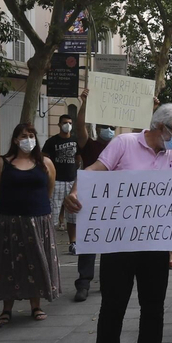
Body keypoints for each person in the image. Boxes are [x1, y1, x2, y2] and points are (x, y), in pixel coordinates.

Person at [65, 104, 172, 343]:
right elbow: (96, 170)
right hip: (118, 242)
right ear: (161, 127)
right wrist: (76, 190)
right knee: (113, 304)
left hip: (154, 243)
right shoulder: (124, 143)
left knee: (153, 305)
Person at [0, 122, 60, 323]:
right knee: (8, 264)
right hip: (10, 221)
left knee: (36, 262)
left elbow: (49, 189)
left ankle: (36, 305)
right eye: (23, 136)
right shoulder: (2, 163)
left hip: (39, 220)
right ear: (15, 140)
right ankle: (6, 308)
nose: (28, 140)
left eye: (31, 135)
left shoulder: (45, 162)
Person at [71, 119, 114, 302]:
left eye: (112, 127)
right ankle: (83, 283)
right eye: (105, 126)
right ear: (97, 128)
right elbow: (80, 126)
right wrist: (84, 106)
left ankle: (107, 281)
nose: (109, 130)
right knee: (88, 241)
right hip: (90, 199)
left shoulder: (120, 146)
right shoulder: (89, 145)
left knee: (110, 243)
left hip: (113, 201)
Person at [42, 112, 82, 254]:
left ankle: (73, 243)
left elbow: (78, 158)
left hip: (72, 181)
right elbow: (43, 158)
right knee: (52, 214)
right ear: (59, 124)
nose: (67, 125)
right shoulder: (52, 142)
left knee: (73, 216)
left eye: (70, 123)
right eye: (65, 123)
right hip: (57, 181)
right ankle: (49, 244)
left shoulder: (76, 140)